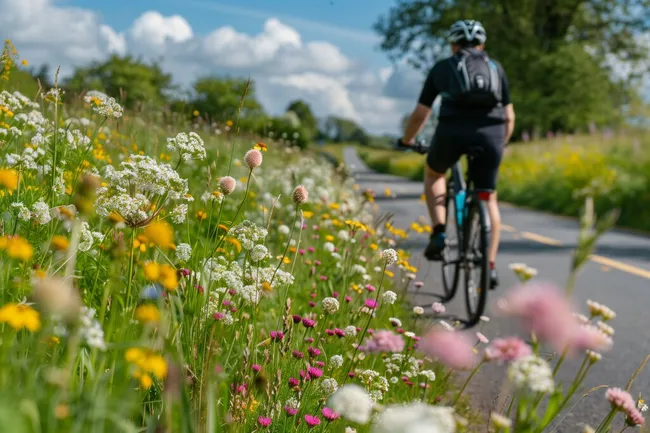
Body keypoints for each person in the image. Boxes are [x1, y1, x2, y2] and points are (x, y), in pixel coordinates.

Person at [398, 19, 516, 289]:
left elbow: (421, 113)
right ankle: (490, 267)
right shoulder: (496, 68)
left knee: (434, 172)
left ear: (453, 44)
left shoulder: (443, 68)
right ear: (482, 44)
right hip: (492, 135)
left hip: (452, 133)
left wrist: (407, 140)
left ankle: (439, 233)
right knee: (488, 197)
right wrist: (500, 144)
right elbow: (509, 115)